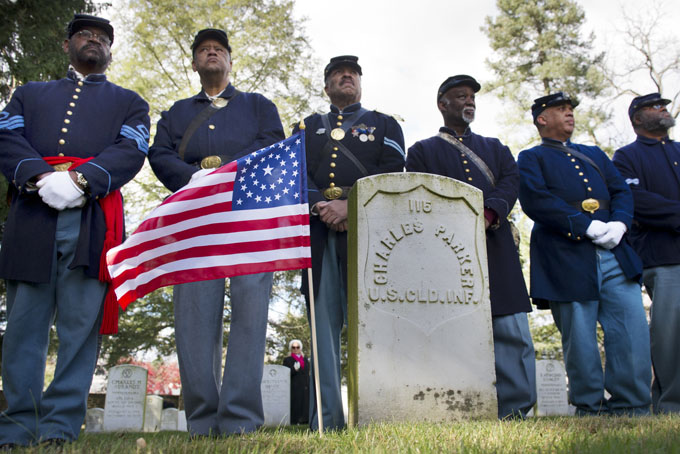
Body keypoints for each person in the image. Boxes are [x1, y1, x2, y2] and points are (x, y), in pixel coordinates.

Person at [0, 14, 149, 447]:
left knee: (80, 326)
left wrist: (82, 181)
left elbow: (132, 148)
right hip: (32, 214)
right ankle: (16, 425)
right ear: (67, 45)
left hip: (93, 218)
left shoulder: (129, 100)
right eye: (86, 34)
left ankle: (61, 425)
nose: (95, 41)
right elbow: (6, 137)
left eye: (104, 38)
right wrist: (40, 178)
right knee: (25, 324)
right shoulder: (29, 94)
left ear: (109, 52)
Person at [147, 28, 284, 436]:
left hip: (248, 215)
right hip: (194, 218)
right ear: (194, 64)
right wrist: (195, 179)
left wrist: (223, 176)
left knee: (250, 313)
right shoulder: (176, 112)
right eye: (204, 50)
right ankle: (203, 420)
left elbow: (271, 146)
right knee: (193, 318)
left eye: (219, 49)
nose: (212, 53)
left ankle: (240, 419)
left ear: (229, 61)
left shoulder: (259, 106)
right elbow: (159, 154)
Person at [406, 75, 536, 419]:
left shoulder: (496, 148)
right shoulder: (421, 151)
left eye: (473, 98)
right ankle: (459, 408)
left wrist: (491, 210)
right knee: (453, 327)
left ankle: (516, 409)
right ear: (442, 104)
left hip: (496, 244)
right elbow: (419, 191)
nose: (469, 102)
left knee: (510, 327)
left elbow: (511, 180)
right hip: (445, 249)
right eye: (461, 96)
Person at [517, 92, 652, 416]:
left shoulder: (593, 154)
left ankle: (631, 404)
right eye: (561, 109)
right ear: (541, 118)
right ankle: (590, 406)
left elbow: (620, 190)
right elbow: (537, 200)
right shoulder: (531, 158)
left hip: (614, 251)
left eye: (571, 110)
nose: (569, 114)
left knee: (630, 326)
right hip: (566, 254)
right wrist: (584, 226)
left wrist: (619, 224)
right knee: (579, 337)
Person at [293, 55, 405, 430]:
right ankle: (325, 420)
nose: (347, 76)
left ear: (360, 82)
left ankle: (376, 416)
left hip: (370, 234)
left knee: (373, 324)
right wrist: (322, 207)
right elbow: (293, 175)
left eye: (353, 73)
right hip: (317, 232)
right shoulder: (306, 126)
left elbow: (392, 172)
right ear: (326, 86)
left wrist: (349, 205)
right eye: (338, 74)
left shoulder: (385, 124)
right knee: (323, 328)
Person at [612, 93, 680, 414]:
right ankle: (671, 406)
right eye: (656, 106)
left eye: (664, 106)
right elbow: (637, 201)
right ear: (638, 118)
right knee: (671, 334)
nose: (664, 110)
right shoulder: (626, 157)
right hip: (663, 258)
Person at [282, 339, 310, 424]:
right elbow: (286, 374)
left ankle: (305, 420)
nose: (295, 349)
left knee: (305, 403)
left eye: (297, 347)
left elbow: (307, 372)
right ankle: (295, 420)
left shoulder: (305, 359)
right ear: (291, 348)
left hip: (305, 385)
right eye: (293, 347)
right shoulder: (288, 360)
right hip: (295, 386)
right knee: (296, 403)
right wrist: (294, 369)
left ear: (300, 348)